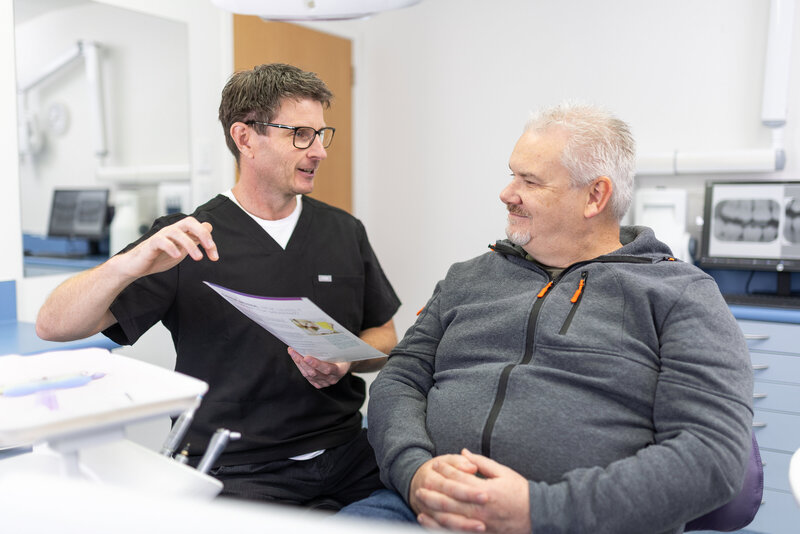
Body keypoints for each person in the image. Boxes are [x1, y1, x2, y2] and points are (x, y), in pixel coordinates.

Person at [339, 102, 753, 533]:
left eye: (530, 181)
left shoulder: (680, 295)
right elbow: (401, 378)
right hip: (421, 507)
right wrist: (414, 473)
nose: (507, 193)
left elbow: (711, 457)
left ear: (595, 196)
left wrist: (539, 509)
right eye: (512, 173)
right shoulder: (467, 278)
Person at [36, 63, 401, 510]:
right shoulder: (185, 238)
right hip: (239, 468)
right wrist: (127, 264)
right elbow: (53, 325)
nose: (319, 151)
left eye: (321, 135)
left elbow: (385, 338)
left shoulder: (344, 230)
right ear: (245, 138)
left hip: (348, 456)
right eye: (300, 135)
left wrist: (344, 363)